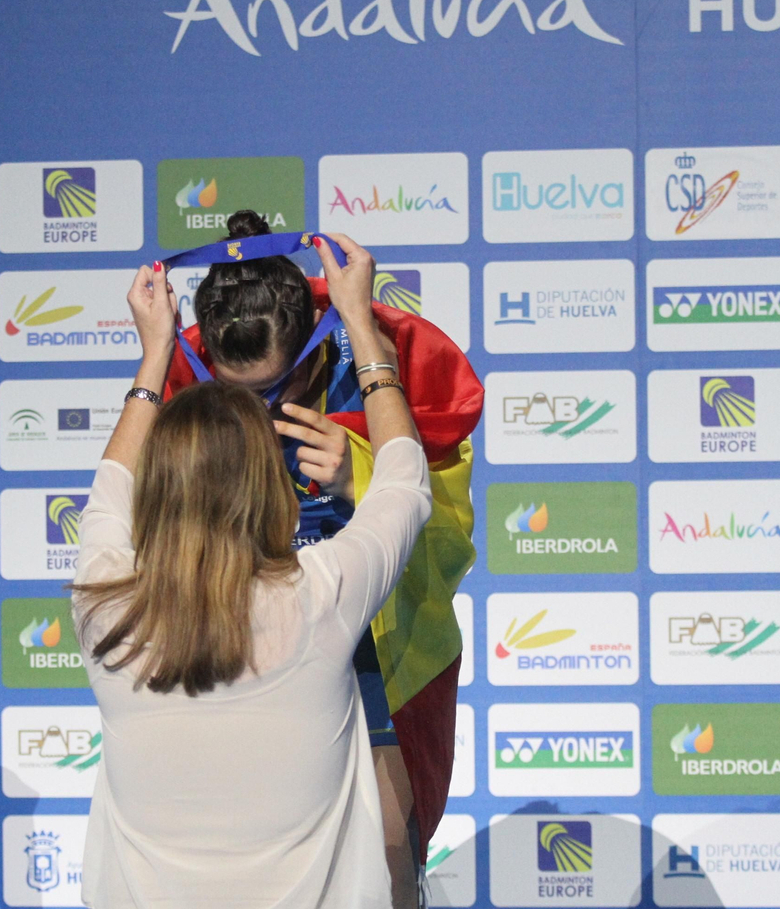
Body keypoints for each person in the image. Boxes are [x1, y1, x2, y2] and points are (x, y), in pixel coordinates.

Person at [73, 233, 433, 907]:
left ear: (157, 492)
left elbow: (110, 488)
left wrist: (155, 355)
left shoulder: (104, 608)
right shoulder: (321, 598)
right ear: (271, 489)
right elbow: (405, 488)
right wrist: (360, 321)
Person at [166, 211, 482, 906]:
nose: (258, 412)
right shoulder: (185, 397)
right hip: (244, 662)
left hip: (380, 667)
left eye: (273, 389)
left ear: (314, 349)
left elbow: (452, 546)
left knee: (389, 867)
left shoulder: (407, 378)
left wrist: (363, 477)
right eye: (237, 395)